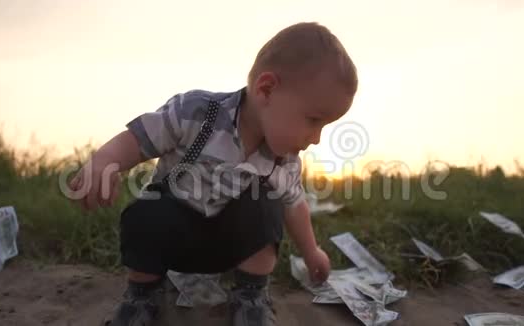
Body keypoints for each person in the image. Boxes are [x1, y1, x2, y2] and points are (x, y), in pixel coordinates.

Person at [68, 21, 358, 326]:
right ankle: (141, 294)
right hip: (175, 236)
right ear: (266, 89)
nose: (316, 138)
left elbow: (295, 205)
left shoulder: (283, 161)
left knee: (267, 203)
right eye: (313, 120)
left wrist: (311, 251)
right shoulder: (197, 112)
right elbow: (139, 140)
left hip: (230, 248)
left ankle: (250, 295)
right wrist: (104, 161)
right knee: (147, 212)